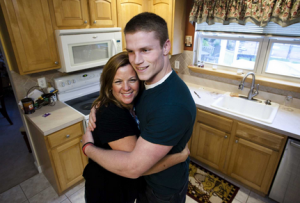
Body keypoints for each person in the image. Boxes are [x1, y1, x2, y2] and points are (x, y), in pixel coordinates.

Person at [83, 12, 196, 203]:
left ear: (165, 46)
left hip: (162, 190)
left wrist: (87, 147)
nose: (137, 60)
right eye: (131, 51)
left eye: (145, 49)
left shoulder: (171, 105)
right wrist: (99, 104)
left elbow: (134, 168)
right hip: (144, 184)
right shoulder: (147, 82)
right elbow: (122, 94)